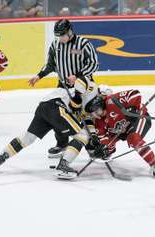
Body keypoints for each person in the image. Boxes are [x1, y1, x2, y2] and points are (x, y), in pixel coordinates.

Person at [0, 81, 101, 179]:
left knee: (28, 137)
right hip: (57, 106)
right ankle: (63, 165)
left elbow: (87, 120)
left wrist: (94, 136)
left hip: (44, 106)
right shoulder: (92, 92)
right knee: (82, 136)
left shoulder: (89, 105)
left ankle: (1, 157)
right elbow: (82, 81)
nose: (97, 113)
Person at [28, 18, 99, 159]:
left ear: (70, 31)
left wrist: (78, 76)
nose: (60, 38)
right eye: (58, 36)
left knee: (86, 115)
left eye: (62, 35)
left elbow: (94, 64)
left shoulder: (83, 43)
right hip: (63, 88)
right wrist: (39, 75)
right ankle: (62, 143)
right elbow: (50, 65)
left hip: (83, 86)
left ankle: (92, 146)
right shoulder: (56, 45)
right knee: (60, 115)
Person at [84, 89, 155, 178]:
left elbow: (134, 93)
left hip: (138, 119)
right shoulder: (99, 121)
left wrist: (132, 108)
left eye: (94, 112)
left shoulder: (112, 100)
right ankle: (109, 151)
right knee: (106, 147)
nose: (93, 116)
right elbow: (102, 136)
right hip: (121, 130)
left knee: (133, 139)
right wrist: (103, 148)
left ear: (99, 107)